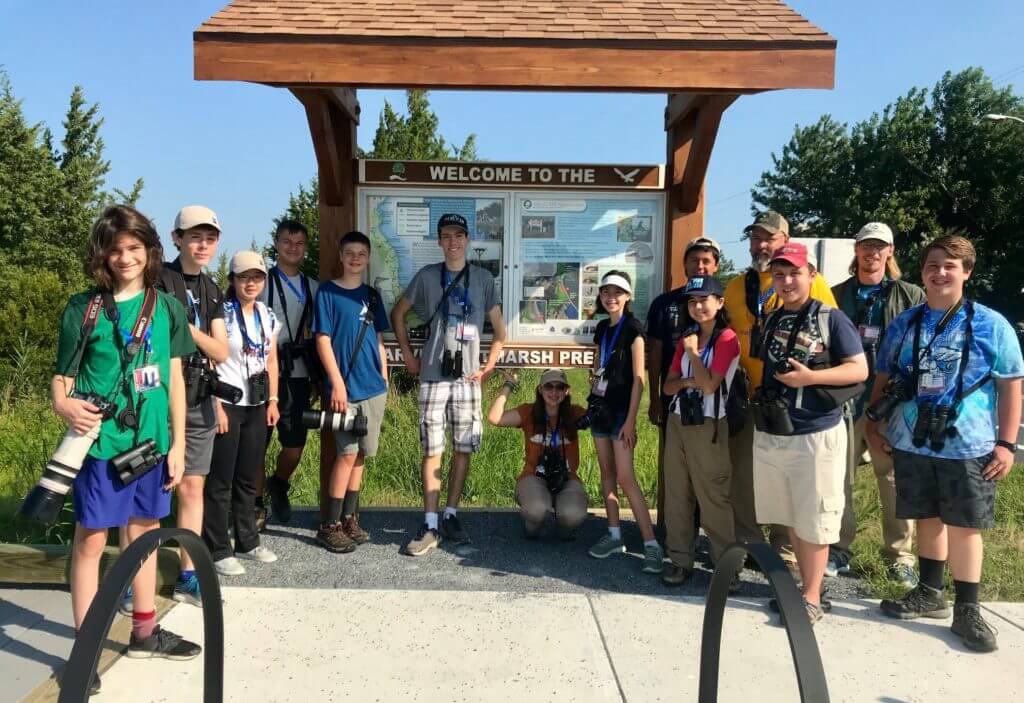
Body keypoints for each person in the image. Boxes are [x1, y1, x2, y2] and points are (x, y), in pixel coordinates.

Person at [55, 205, 201, 693]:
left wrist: (178, 442)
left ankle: (143, 630)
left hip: (151, 445)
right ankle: (85, 647)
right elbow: (63, 378)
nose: (125, 257)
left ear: (150, 251)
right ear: (103, 254)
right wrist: (62, 404)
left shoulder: (166, 308)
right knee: (92, 541)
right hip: (100, 445)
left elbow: (176, 378)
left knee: (143, 536)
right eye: (115, 249)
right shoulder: (83, 308)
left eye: (134, 248)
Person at [868, 235, 1022, 652]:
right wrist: (872, 424)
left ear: (967, 272)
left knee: (965, 526)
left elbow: (1011, 388)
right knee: (927, 518)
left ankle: (968, 608)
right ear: (922, 271)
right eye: (932, 265)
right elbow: (884, 378)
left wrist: (1006, 444)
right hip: (912, 439)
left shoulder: (992, 324)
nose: (939, 273)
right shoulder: (905, 323)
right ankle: (930, 592)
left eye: (950, 266)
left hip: (968, 443)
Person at [752, 242, 868, 624]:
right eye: (780, 274)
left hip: (817, 432)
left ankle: (813, 596)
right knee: (792, 515)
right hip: (776, 430)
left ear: (811, 275)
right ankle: (804, 587)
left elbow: (858, 370)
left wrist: (812, 377)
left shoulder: (831, 319)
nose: (786, 281)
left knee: (815, 519)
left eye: (794, 273)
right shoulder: (770, 319)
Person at [723, 211, 838, 567]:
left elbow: (830, 338)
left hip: (791, 401)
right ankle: (749, 542)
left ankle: (785, 549)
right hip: (747, 398)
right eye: (755, 238)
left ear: (785, 240)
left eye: (768, 238)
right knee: (746, 477)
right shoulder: (735, 286)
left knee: (789, 479)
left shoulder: (811, 283)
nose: (760, 244)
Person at [391, 213, 507, 556]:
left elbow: (500, 332)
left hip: (467, 378)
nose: (453, 242)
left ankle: (452, 514)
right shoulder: (428, 276)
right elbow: (398, 314)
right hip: (432, 376)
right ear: (439, 241)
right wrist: (409, 357)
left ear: (467, 240)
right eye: (446, 236)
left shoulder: (483, 278)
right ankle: (430, 522)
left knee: (464, 447)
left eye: (459, 236)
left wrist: (487, 366)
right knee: (431, 448)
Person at [829, 222, 924, 585]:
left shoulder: (910, 295)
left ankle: (899, 556)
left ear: (891, 251)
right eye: (866, 246)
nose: (872, 252)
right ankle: (838, 548)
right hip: (845, 401)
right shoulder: (836, 294)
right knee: (839, 478)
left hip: (891, 404)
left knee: (894, 479)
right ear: (856, 251)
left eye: (879, 246)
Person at [153, 205, 229, 609]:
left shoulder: (213, 289)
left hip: (199, 396)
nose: (202, 244)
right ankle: (138, 575)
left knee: (193, 486)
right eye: (194, 236)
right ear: (176, 238)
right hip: (158, 396)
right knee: (149, 489)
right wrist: (199, 337)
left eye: (210, 238)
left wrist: (186, 328)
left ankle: (187, 574)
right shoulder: (158, 279)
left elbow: (222, 349)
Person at [660, 276, 741, 587]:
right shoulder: (687, 337)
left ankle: (727, 568)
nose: (697, 306)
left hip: (709, 425)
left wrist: (693, 358)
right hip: (679, 420)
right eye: (692, 301)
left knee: (714, 499)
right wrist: (688, 380)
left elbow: (710, 385)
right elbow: (668, 387)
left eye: (704, 299)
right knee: (677, 494)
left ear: (719, 302)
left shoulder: (727, 338)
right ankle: (680, 560)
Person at [203, 251, 281, 575]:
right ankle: (218, 547)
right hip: (228, 402)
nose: (251, 283)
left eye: (257, 277)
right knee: (221, 480)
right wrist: (216, 405)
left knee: (249, 478)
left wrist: (273, 400)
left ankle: (248, 539)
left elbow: (271, 359)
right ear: (233, 280)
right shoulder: (220, 313)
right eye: (244, 277)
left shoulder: (267, 314)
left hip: (257, 403)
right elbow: (210, 361)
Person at [313, 231, 389, 552]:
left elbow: (379, 340)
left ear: (368, 258)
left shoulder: (371, 295)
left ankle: (350, 517)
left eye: (361, 253)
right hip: (343, 390)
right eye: (350, 253)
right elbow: (322, 339)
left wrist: (385, 377)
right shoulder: (327, 293)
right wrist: (336, 382)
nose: (355, 258)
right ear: (341, 256)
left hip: (373, 387)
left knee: (361, 455)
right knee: (345, 454)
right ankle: (329, 524)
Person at [585, 271, 664, 573]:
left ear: (628, 297)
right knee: (606, 473)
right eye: (606, 292)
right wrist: (594, 382)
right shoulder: (602, 328)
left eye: (617, 292)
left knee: (626, 478)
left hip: (621, 414)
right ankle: (614, 534)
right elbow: (597, 365)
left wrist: (630, 421)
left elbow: (640, 379)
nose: (611, 297)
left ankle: (650, 544)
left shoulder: (634, 329)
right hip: (601, 410)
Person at [646, 237, 721, 539]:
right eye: (694, 260)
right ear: (684, 264)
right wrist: (654, 398)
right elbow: (654, 354)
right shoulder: (664, 304)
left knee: (712, 472)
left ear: (716, 265)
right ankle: (674, 533)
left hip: (716, 405)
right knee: (675, 471)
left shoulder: (721, 302)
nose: (699, 266)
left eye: (706, 260)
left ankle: (714, 536)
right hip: (675, 401)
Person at [259, 219, 320, 524]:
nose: (293, 248)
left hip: (297, 373)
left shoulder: (313, 287)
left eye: (299, 243)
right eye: (287, 242)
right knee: (257, 444)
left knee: (294, 445)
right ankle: (254, 504)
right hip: (259, 374)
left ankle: (279, 484)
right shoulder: (261, 283)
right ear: (277, 244)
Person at [487, 368, 589, 539]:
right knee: (537, 510)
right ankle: (533, 526)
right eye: (549, 386)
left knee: (572, 515)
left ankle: (566, 525)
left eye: (560, 387)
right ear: (540, 390)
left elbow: (600, 419)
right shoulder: (529, 412)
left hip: (566, 477)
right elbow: (494, 418)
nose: (554, 392)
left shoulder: (574, 413)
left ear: (566, 391)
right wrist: (509, 384)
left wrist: (596, 391)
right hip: (534, 475)